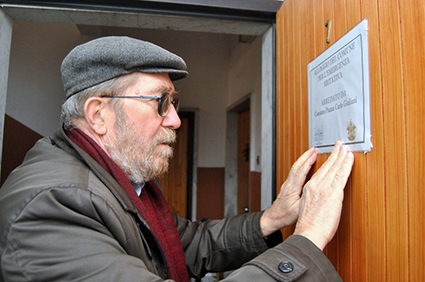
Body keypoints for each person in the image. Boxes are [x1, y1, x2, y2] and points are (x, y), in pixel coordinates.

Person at [0, 36, 354, 282]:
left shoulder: (121, 182)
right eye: (160, 102)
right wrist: (306, 240)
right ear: (97, 115)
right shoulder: (51, 205)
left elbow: (191, 243)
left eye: (173, 103)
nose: (174, 120)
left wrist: (275, 217)